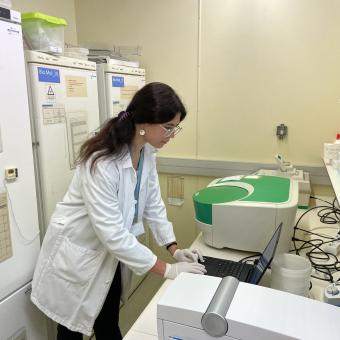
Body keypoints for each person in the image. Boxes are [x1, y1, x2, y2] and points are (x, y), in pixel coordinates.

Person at [30, 82, 206, 339]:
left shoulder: (146, 153)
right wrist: (167, 270)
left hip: (109, 256)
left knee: (107, 322)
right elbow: (111, 233)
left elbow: (153, 206)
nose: (172, 134)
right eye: (168, 127)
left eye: (175, 127)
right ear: (144, 123)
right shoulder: (101, 161)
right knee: (70, 330)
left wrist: (174, 249)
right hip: (79, 256)